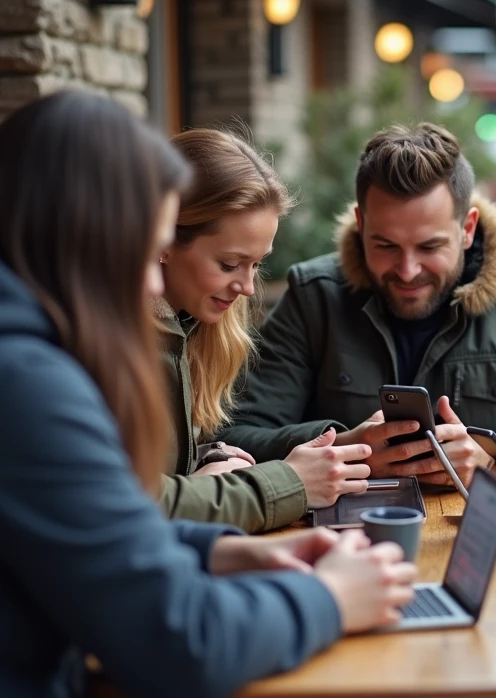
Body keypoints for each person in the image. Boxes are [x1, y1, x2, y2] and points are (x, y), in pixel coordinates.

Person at [0, 91, 415, 698]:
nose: (155, 284)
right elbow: (183, 646)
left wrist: (220, 554)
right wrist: (328, 598)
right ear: (86, 238)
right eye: (145, 252)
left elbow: (91, 530)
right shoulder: (15, 387)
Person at [221, 123, 496, 487]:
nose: (407, 271)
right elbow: (238, 435)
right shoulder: (314, 296)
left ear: (467, 229)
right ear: (360, 223)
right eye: (385, 245)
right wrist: (345, 448)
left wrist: (492, 455)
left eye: (429, 246)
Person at [155, 128, 370, 531]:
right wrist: (287, 483)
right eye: (229, 263)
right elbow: (130, 507)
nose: (247, 287)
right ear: (164, 240)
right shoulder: (108, 343)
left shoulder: (193, 327)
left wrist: (210, 458)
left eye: (256, 264)